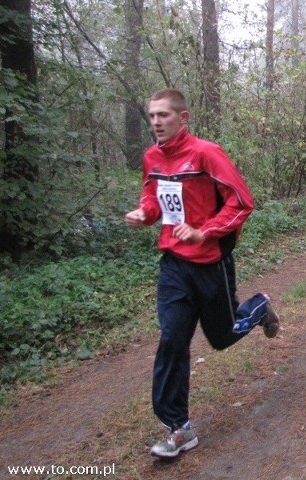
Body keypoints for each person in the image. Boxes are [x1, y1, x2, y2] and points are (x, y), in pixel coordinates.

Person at [124, 88, 280, 459]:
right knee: (172, 339)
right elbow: (153, 200)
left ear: (183, 117)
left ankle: (259, 308)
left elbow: (242, 201)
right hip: (174, 265)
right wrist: (143, 215)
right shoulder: (152, 158)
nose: (157, 122)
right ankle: (178, 428)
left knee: (222, 337)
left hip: (211, 262)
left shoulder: (206, 153)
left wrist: (204, 230)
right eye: (152, 116)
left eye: (163, 115)